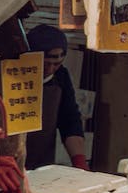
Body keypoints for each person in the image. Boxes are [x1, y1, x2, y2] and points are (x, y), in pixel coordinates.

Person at [24, 26, 88, 170]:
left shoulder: (61, 77)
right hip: (8, 165)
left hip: (42, 164)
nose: (50, 70)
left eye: (57, 64)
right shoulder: (14, 74)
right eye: (45, 64)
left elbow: (70, 120)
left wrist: (80, 162)